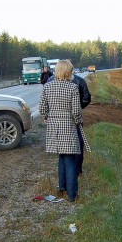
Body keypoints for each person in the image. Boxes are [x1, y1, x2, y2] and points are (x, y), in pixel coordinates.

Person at [39, 60, 89, 202]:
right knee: (70, 160)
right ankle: (72, 195)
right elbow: (76, 111)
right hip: (69, 126)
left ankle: (62, 189)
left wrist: (46, 117)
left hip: (54, 127)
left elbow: (42, 107)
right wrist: (78, 121)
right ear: (69, 72)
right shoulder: (72, 88)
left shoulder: (47, 86)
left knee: (62, 157)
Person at [72, 72, 91, 175]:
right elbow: (86, 98)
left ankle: (68, 171)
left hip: (59, 120)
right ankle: (77, 168)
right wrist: (79, 107)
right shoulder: (79, 80)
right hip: (75, 117)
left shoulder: (51, 81)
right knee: (78, 142)